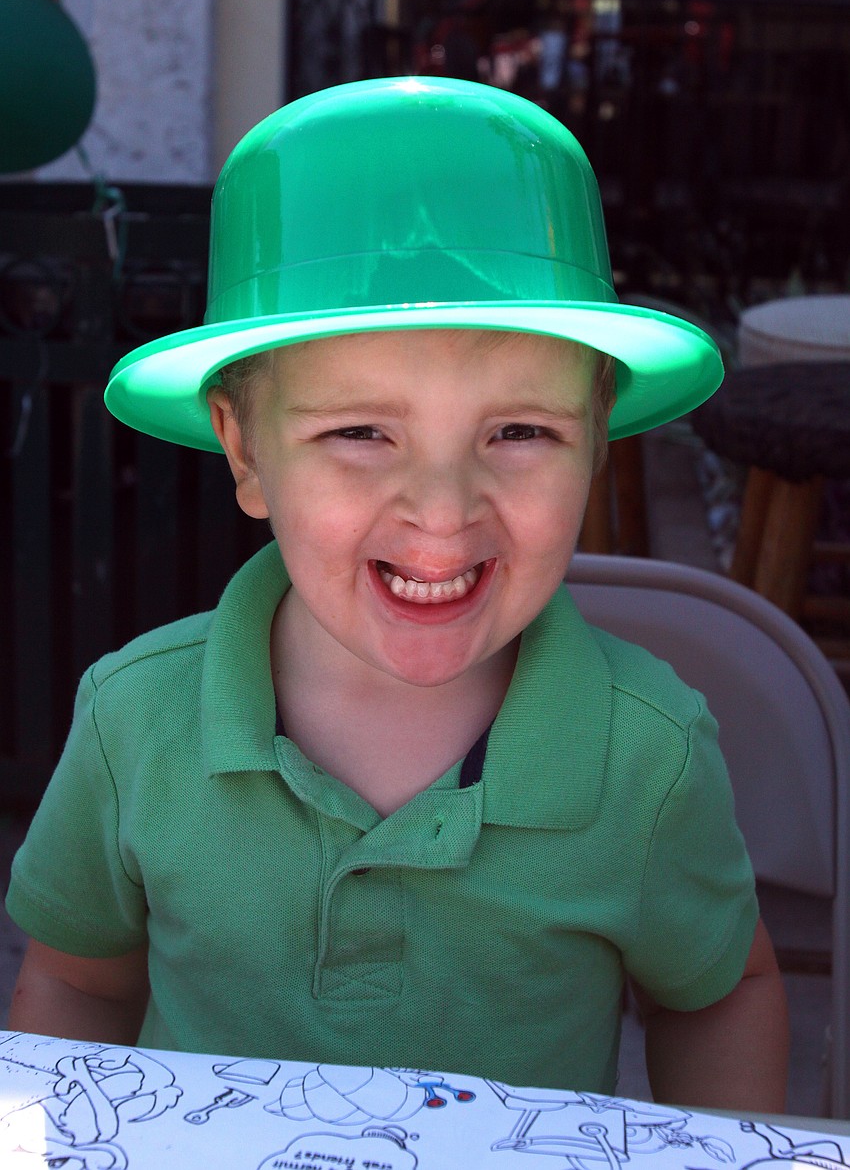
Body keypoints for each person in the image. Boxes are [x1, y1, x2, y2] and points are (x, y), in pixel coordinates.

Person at [5, 77, 788, 1111]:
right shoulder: (134, 721)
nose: (441, 512)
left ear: (595, 440)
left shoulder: (645, 754)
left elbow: (718, 993)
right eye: (360, 433)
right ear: (245, 451)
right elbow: (77, 979)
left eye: (520, 432)